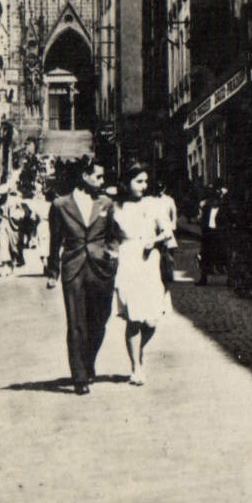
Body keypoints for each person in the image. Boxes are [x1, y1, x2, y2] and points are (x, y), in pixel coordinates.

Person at [45, 159, 119, 394]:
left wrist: (112, 253)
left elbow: (113, 235)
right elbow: (54, 241)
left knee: (100, 319)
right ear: (84, 177)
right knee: (76, 323)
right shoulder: (60, 205)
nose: (102, 181)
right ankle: (79, 377)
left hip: (101, 268)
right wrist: (53, 271)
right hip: (74, 266)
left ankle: (88, 363)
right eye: (98, 176)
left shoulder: (106, 202)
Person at [112, 165, 172, 385]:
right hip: (128, 261)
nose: (144, 186)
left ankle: (139, 352)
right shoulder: (116, 208)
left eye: (146, 181)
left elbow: (167, 231)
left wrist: (153, 240)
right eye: (139, 181)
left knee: (152, 321)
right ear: (126, 182)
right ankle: (136, 367)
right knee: (134, 318)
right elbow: (109, 236)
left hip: (149, 262)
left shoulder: (153, 205)